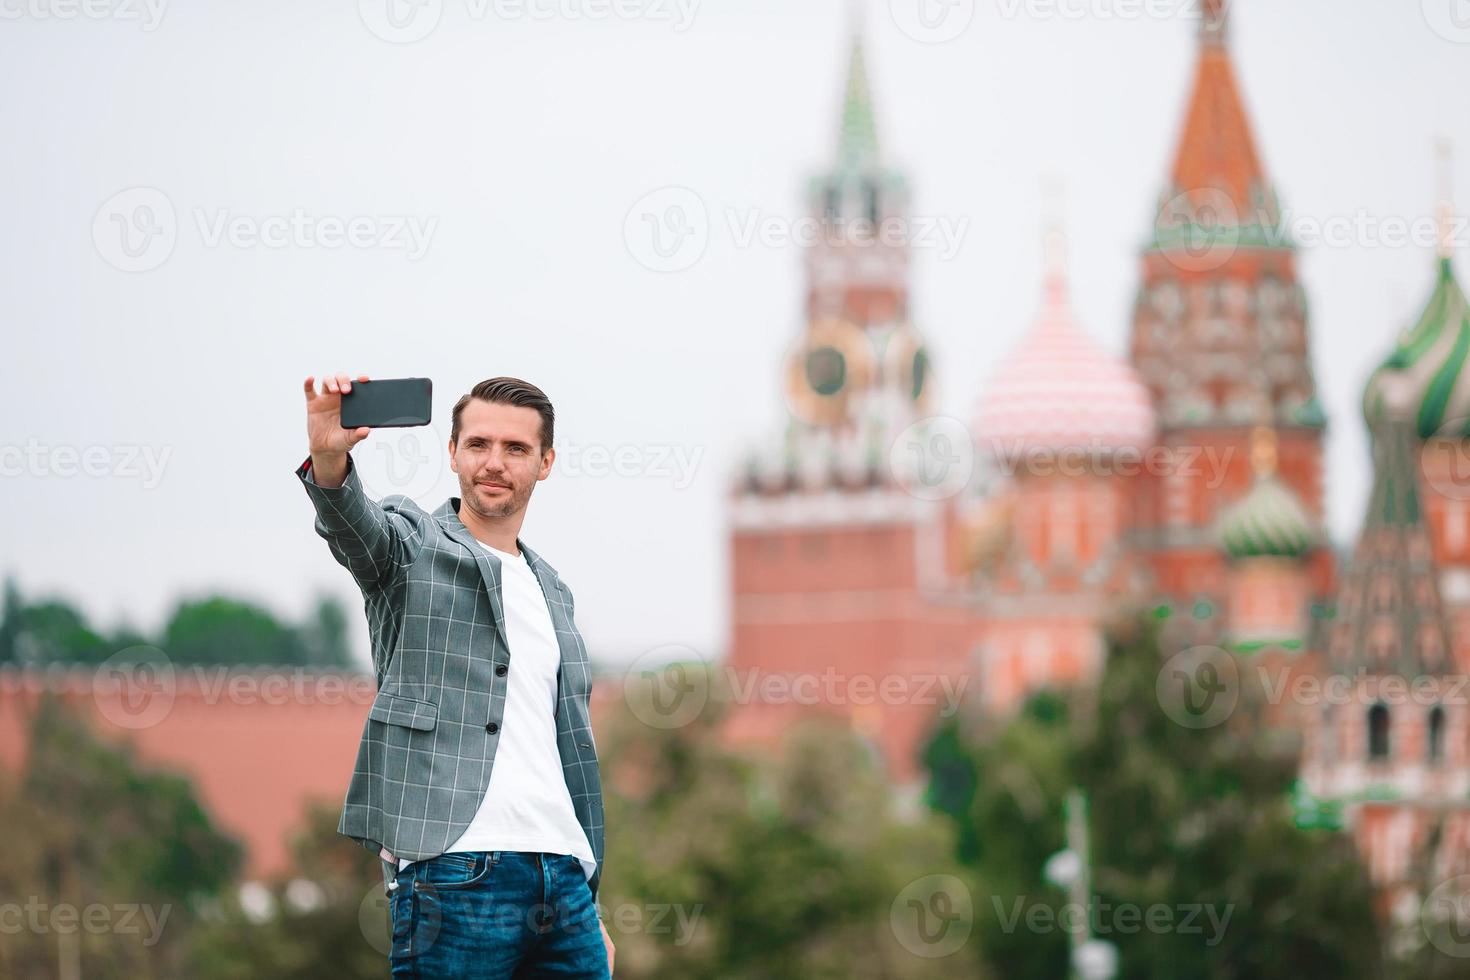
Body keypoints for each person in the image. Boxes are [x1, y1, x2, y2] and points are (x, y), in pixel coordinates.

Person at [297, 373, 614, 978]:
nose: (494, 463)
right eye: (478, 445)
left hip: (564, 879)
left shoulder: (555, 593)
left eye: (516, 449)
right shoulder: (408, 544)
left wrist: (586, 891)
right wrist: (328, 457)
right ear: (452, 452)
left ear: (545, 462)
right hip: (457, 868)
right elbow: (352, 527)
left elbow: (567, 745)